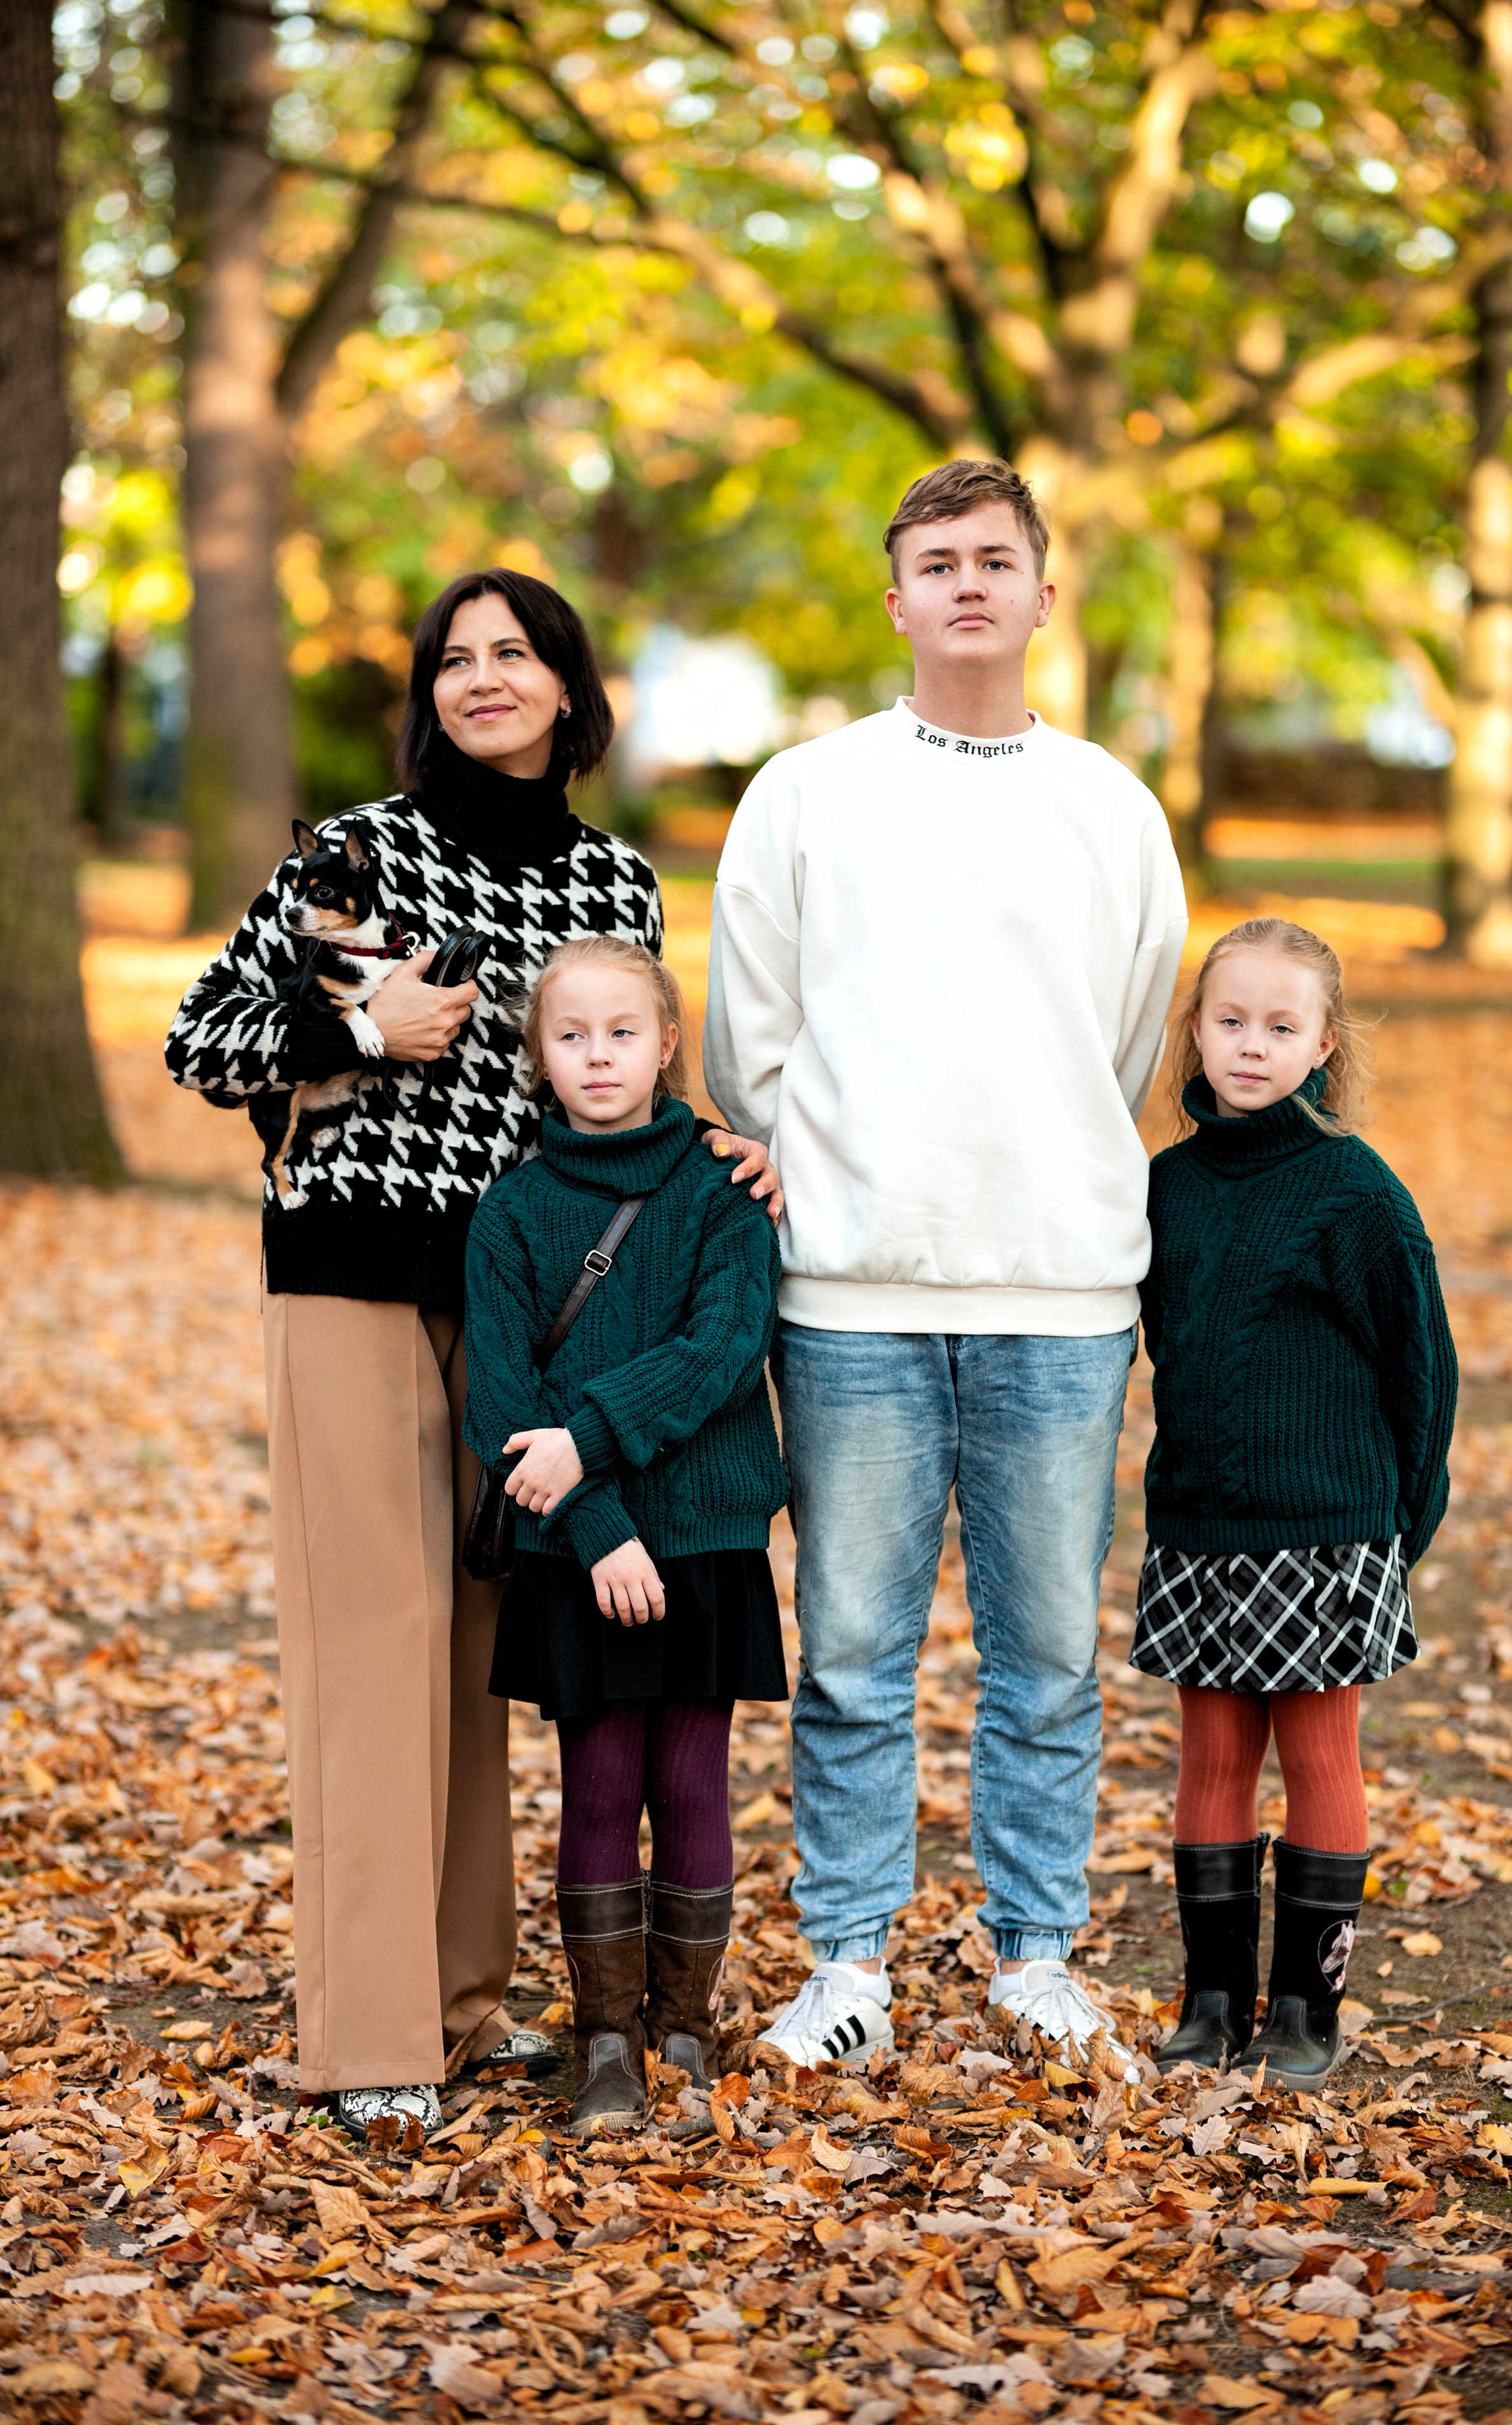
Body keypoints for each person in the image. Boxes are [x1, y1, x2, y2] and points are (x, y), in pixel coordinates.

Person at [165, 571, 775, 2143]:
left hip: (542, 1321)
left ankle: (461, 2001)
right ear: (427, 691)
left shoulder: (618, 886)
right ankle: (366, 2029)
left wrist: (720, 1154)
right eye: (455, 658)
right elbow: (202, 1038)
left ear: (569, 689)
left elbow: (619, 1080)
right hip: (361, 1285)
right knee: (374, 1644)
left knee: (477, 1647)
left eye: (514, 655)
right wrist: (365, 1033)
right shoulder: (356, 855)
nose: (482, 678)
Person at [703, 459, 1188, 2074]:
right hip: (851, 1292)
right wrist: (840, 1181)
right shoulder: (805, 792)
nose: (967, 583)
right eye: (936, 561)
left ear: (1045, 593)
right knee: (852, 1652)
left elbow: (1123, 1042)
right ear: (896, 597)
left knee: (1046, 1654)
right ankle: (846, 1957)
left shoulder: (1110, 806)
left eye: (997, 559)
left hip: (1055, 1292)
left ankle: (1034, 1952)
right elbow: (743, 1039)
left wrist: (1038, 1167)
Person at [462, 935, 789, 2136]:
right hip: (573, 1551)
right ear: (539, 1060)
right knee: (599, 1783)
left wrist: (590, 1443)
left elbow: (723, 1347)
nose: (598, 1056)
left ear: (666, 1044)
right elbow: (499, 1405)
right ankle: (605, 2040)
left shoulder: (722, 1189)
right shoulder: (512, 1211)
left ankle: (686, 2033)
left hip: (704, 1533)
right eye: (570, 1036)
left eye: (622, 1033)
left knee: (692, 1778)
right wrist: (597, 1526)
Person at [1134, 915, 1457, 2092]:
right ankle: (1211, 2000)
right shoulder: (1162, 1187)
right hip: (1202, 1525)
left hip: (1326, 1531)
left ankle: (1306, 2012)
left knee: (1319, 1754)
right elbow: (1169, 1340)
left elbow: (1424, 1373)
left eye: (1281, 1026)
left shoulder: (1355, 1194)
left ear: (1324, 1043)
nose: (1252, 1045)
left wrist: (1395, 1529)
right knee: (1211, 1757)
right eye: (1230, 1021)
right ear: (1197, 1034)